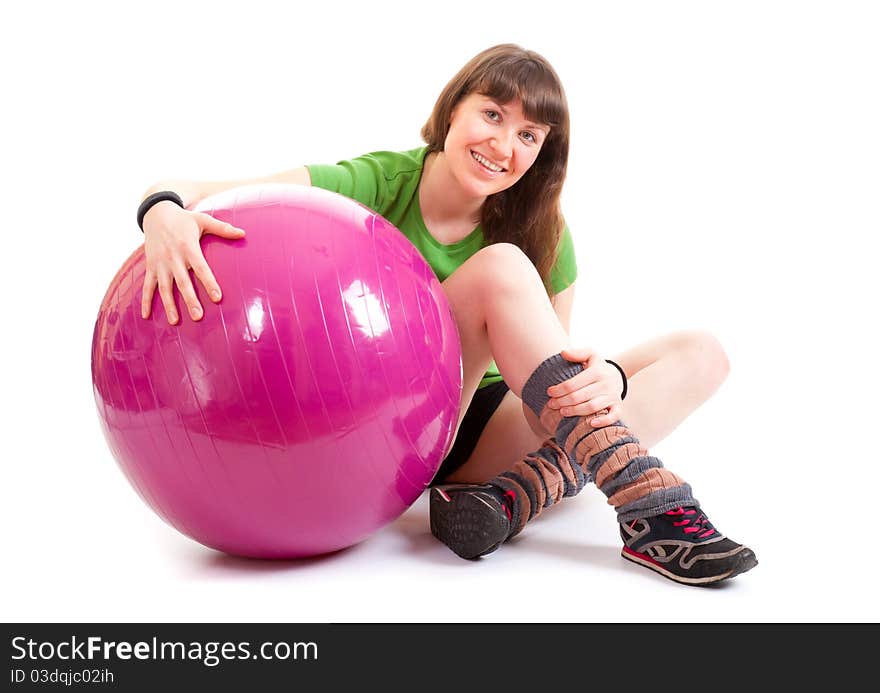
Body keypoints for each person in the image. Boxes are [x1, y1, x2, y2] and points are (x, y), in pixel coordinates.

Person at [137, 44, 757, 586]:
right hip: (398, 427)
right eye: (492, 114)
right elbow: (217, 194)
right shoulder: (382, 181)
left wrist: (611, 379)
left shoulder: (545, 229)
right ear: (454, 108)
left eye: (528, 136)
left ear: (541, 154)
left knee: (705, 353)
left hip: (490, 429)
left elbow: (550, 365)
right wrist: (161, 211)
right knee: (501, 269)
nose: (502, 145)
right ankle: (645, 501)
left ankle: (511, 500)